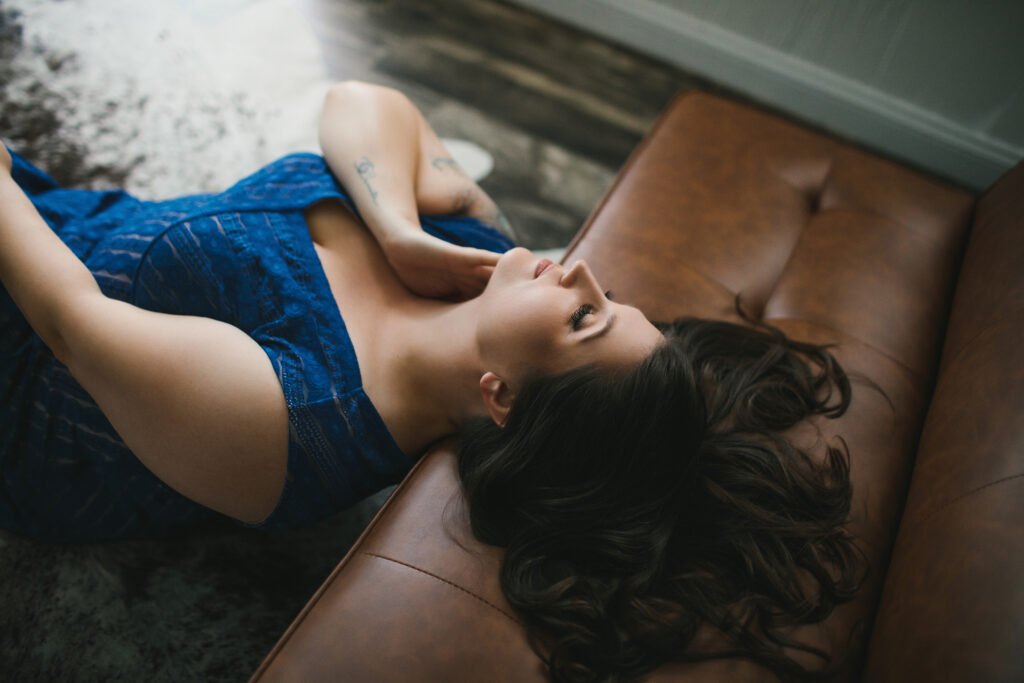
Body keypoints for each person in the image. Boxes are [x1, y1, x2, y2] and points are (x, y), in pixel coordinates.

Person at [1, 82, 861, 680]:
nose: (581, 271)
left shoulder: (297, 415)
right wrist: (398, 226)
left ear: (503, 397)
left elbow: (70, 324)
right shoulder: (483, 265)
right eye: (613, 297)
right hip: (69, 221)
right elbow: (365, 105)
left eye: (583, 318)